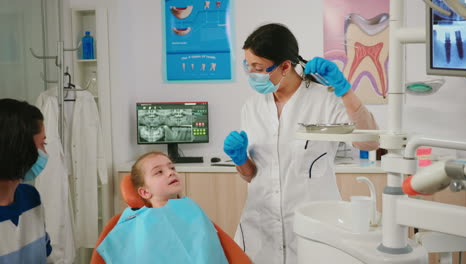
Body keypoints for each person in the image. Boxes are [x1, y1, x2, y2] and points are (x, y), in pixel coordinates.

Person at [223, 23, 379, 264]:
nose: (252, 73)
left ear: (285, 66)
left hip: (312, 228)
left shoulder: (324, 100)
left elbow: (369, 142)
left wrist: (345, 91)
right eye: (248, 66)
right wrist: (240, 159)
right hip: (260, 229)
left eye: (259, 67)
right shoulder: (251, 107)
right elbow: (251, 175)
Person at [96, 152, 230, 264]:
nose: (171, 173)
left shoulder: (191, 210)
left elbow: (208, 251)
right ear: (145, 192)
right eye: (159, 172)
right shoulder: (136, 224)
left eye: (172, 168)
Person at [0, 98, 52, 263]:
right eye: (42, 144)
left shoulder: (31, 198)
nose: (45, 153)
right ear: (20, 148)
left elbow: (46, 256)